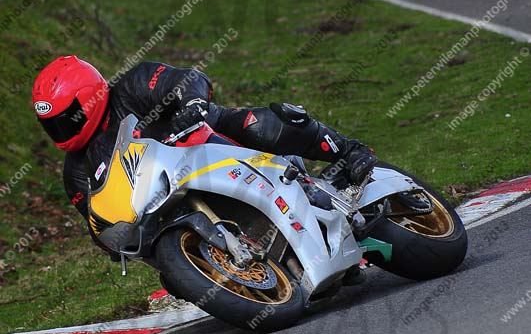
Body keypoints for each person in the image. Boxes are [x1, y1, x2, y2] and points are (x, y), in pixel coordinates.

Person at [32, 56, 377, 233]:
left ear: (90, 96)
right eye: (51, 125)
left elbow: (187, 79)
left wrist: (191, 105)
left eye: (67, 117)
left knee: (255, 124)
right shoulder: (76, 172)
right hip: (173, 204)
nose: (61, 129)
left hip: (205, 140)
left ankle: (349, 151)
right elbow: (100, 225)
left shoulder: (133, 84)